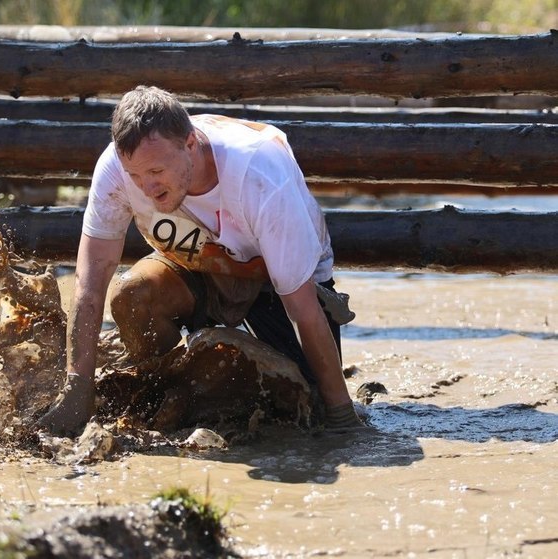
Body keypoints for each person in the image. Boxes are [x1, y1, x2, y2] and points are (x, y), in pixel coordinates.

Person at [39, 85, 361, 434]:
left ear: (190, 144)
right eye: (136, 176)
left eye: (157, 172)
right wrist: (77, 390)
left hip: (275, 284)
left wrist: (342, 416)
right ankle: (168, 400)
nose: (146, 188)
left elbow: (303, 311)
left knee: (303, 409)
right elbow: (90, 282)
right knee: (130, 295)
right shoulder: (117, 169)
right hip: (198, 268)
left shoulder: (259, 174)